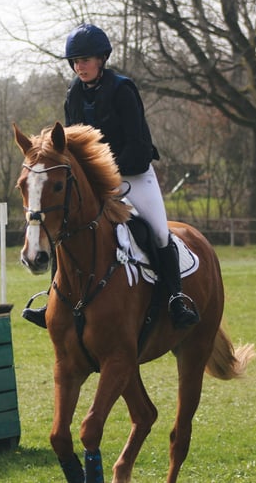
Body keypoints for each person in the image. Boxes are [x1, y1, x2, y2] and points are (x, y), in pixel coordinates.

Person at [22, 23, 199, 330]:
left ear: (101, 59)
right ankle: (53, 298)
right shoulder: (74, 94)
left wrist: (108, 174)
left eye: (86, 59)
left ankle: (175, 298)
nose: (80, 65)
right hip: (94, 184)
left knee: (157, 232)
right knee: (64, 229)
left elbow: (138, 147)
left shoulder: (122, 90)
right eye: (75, 60)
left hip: (134, 175)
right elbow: (69, 148)